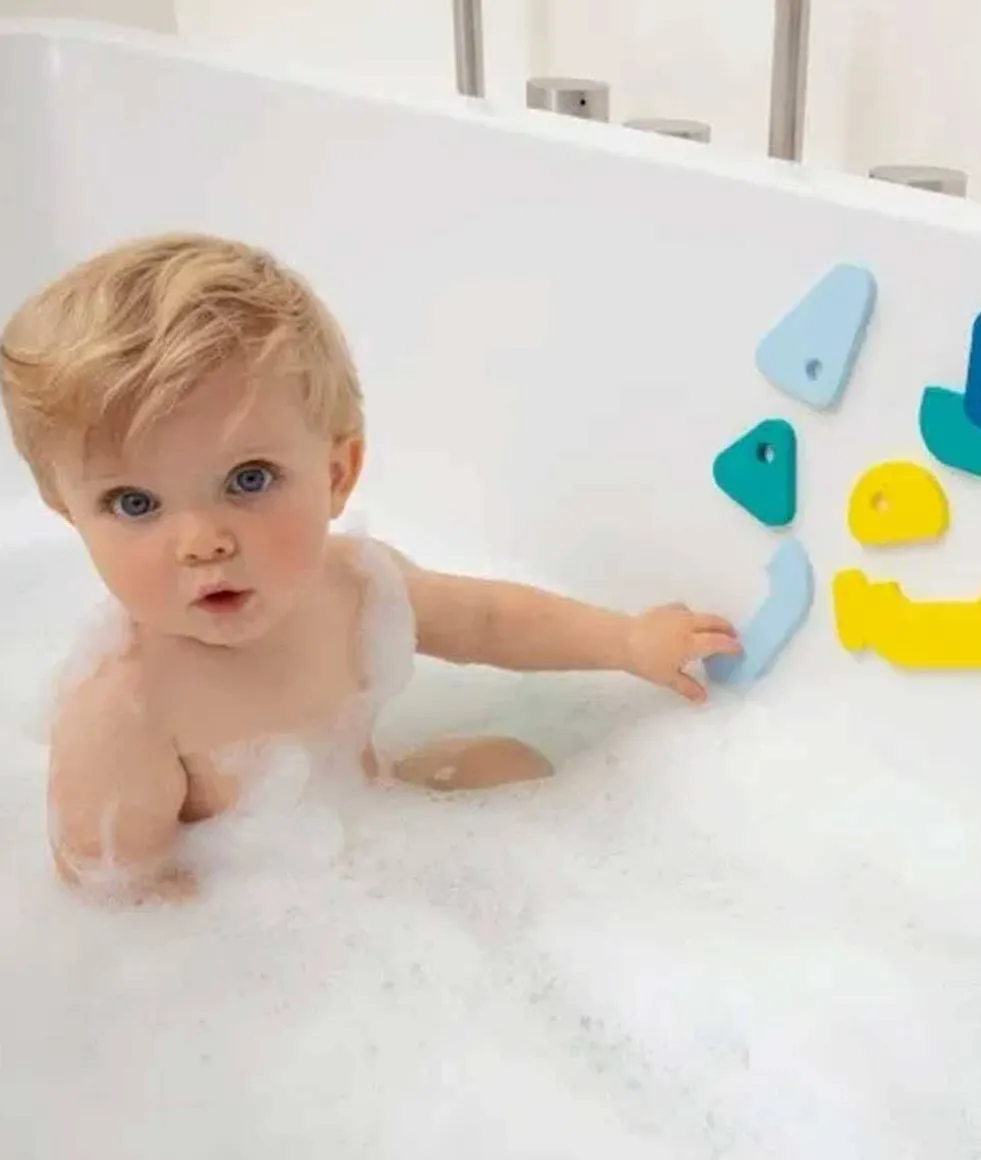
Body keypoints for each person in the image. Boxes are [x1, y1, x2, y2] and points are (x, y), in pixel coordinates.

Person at [0, 232, 742, 905]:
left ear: (337, 473)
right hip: (260, 916)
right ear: (70, 515)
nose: (201, 541)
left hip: (363, 841)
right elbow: (123, 899)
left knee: (509, 765)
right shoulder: (125, 711)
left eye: (249, 480)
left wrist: (626, 641)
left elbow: (485, 621)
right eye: (135, 503)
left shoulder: (349, 583)